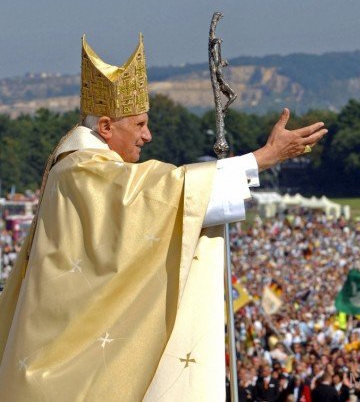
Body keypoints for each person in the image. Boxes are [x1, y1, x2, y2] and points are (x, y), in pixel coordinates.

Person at [0, 34, 327, 401]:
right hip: (61, 371)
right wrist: (262, 159)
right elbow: (160, 195)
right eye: (139, 124)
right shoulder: (82, 170)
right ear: (106, 127)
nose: (148, 135)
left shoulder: (84, 166)